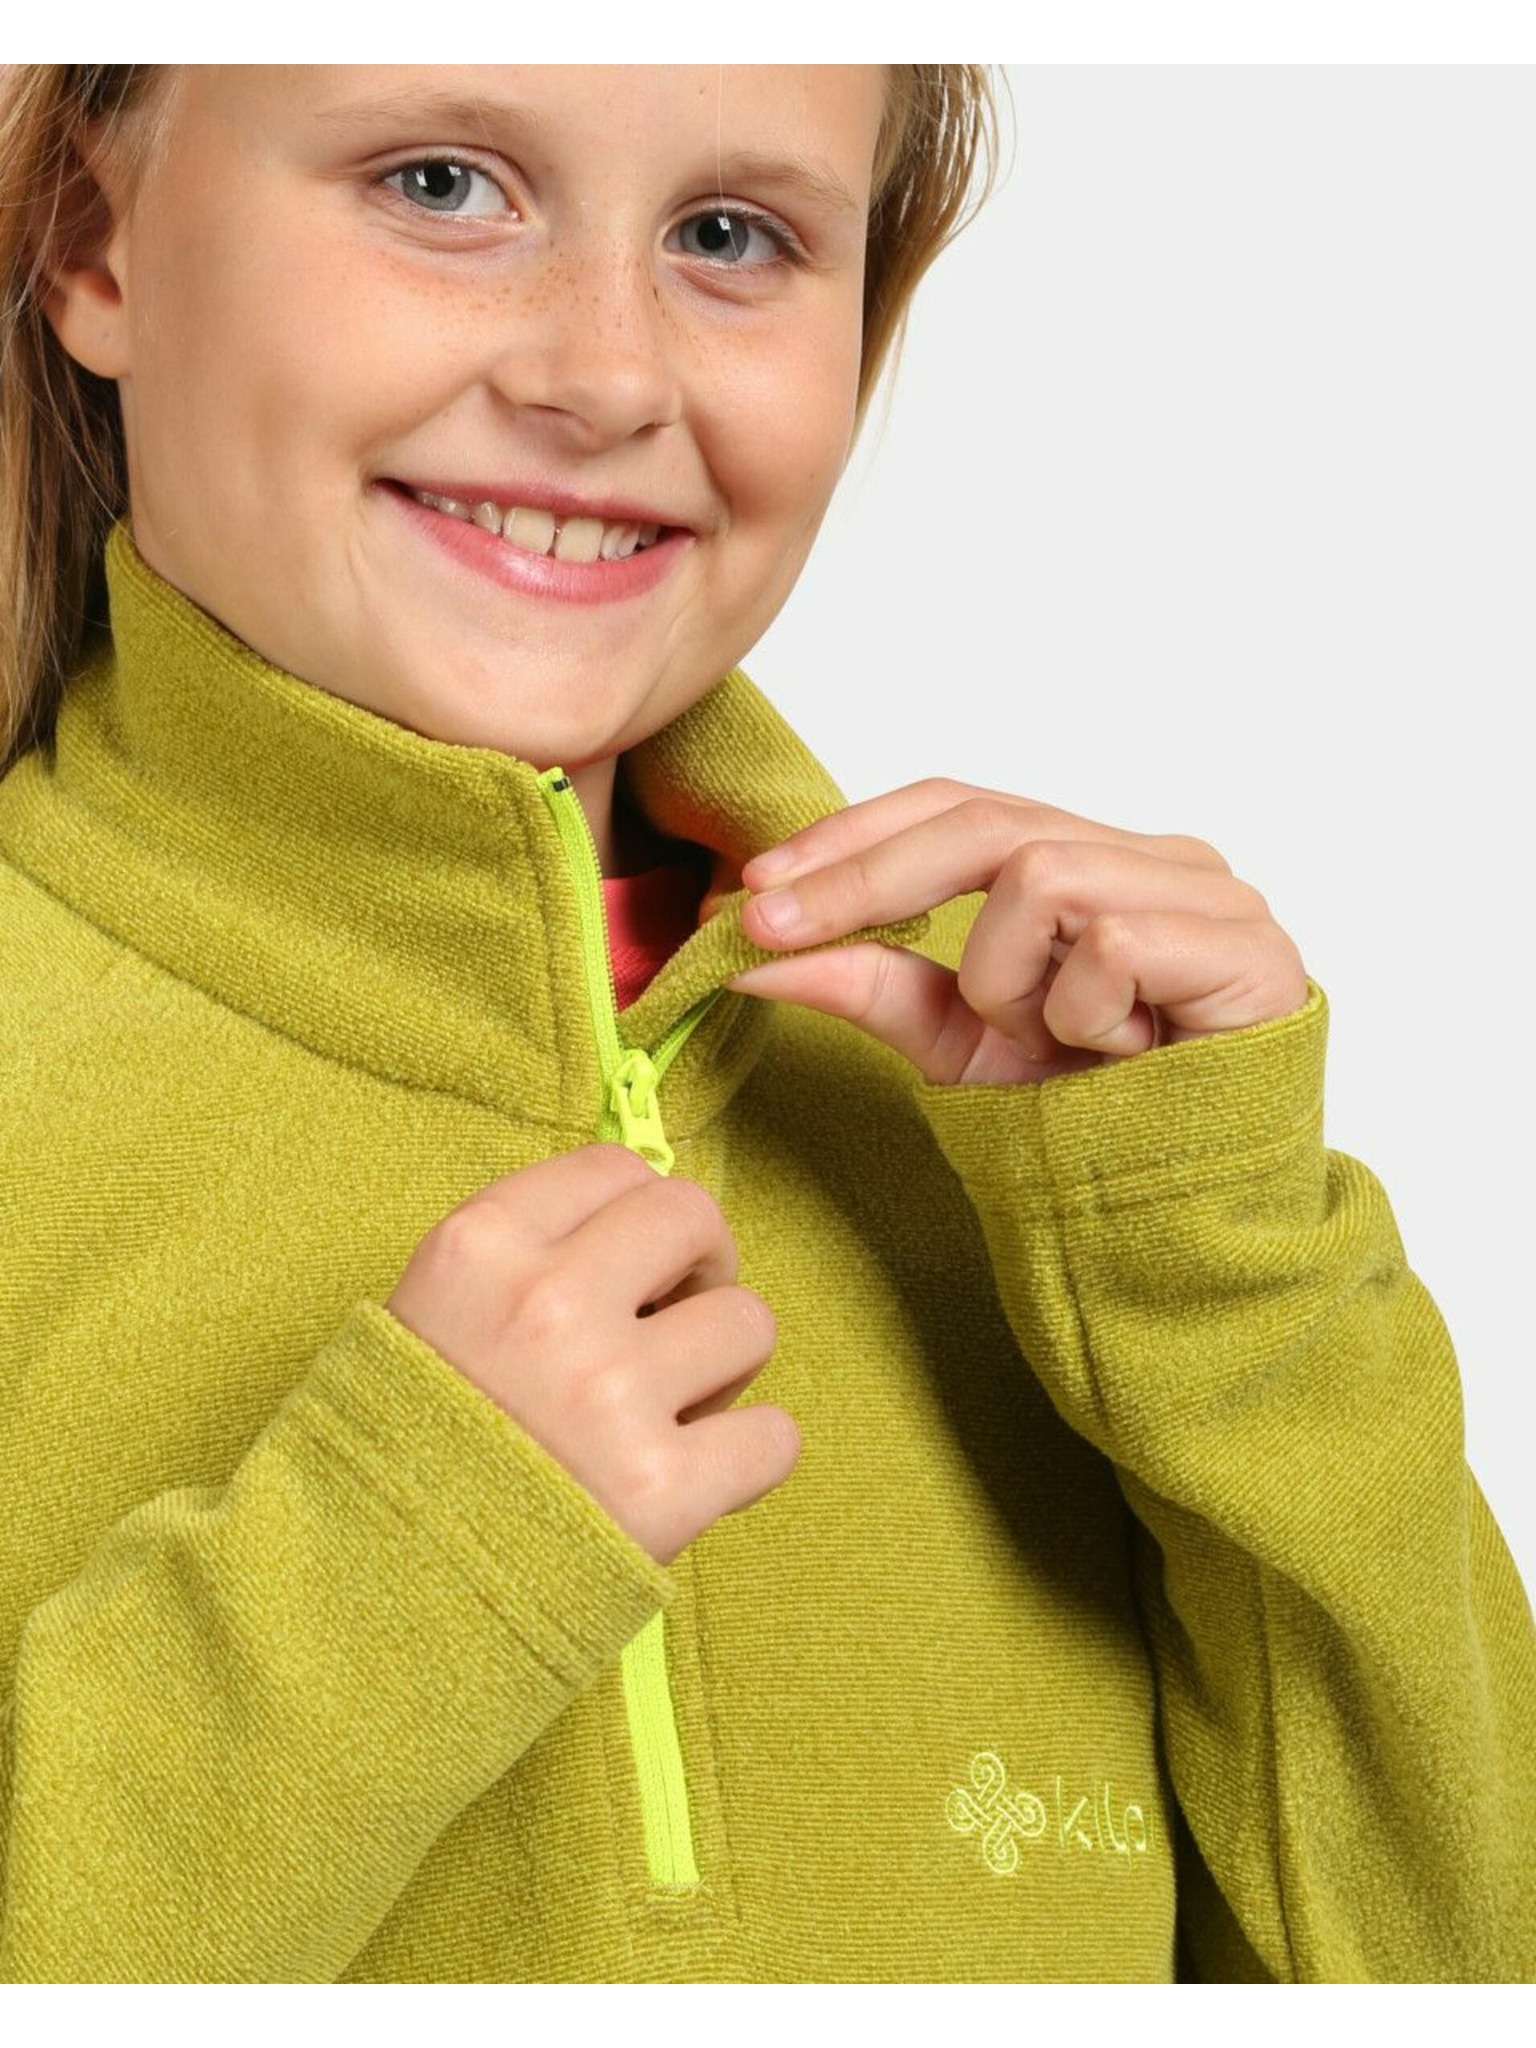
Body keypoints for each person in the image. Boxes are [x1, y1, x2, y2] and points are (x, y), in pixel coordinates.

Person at [0, 61, 1529, 1987]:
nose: (607, 375)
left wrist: (1225, 1278)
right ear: (93, 237)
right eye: (442, 183)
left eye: (731, 235)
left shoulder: (1062, 1119)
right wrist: (402, 1560)